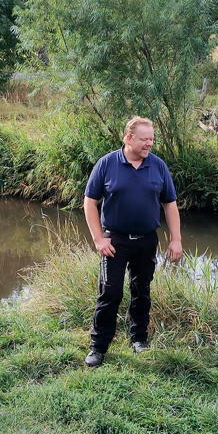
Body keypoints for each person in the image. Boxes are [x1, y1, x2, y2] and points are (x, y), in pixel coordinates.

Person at [83, 116, 182, 367]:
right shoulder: (106, 164)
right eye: (144, 139)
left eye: (152, 139)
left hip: (147, 241)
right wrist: (98, 239)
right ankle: (98, 347)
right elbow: (90, 203)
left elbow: (170, 204)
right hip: (114, 240)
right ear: (128, 138)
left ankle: (139, 339)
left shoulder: (158, 166)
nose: (150, 144)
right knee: (110, 293)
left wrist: (176, 239)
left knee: (142, 291)